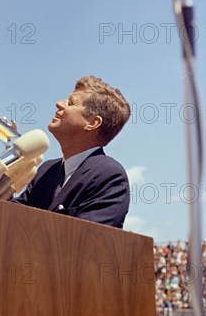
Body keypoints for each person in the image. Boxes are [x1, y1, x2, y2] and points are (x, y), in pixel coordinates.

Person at [13, 76, 130, 228]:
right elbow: (12, 218)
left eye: (71, 102)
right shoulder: (45, 170)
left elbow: (88, 240)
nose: (59, 104)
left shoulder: (109, 175)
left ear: (93, 123)